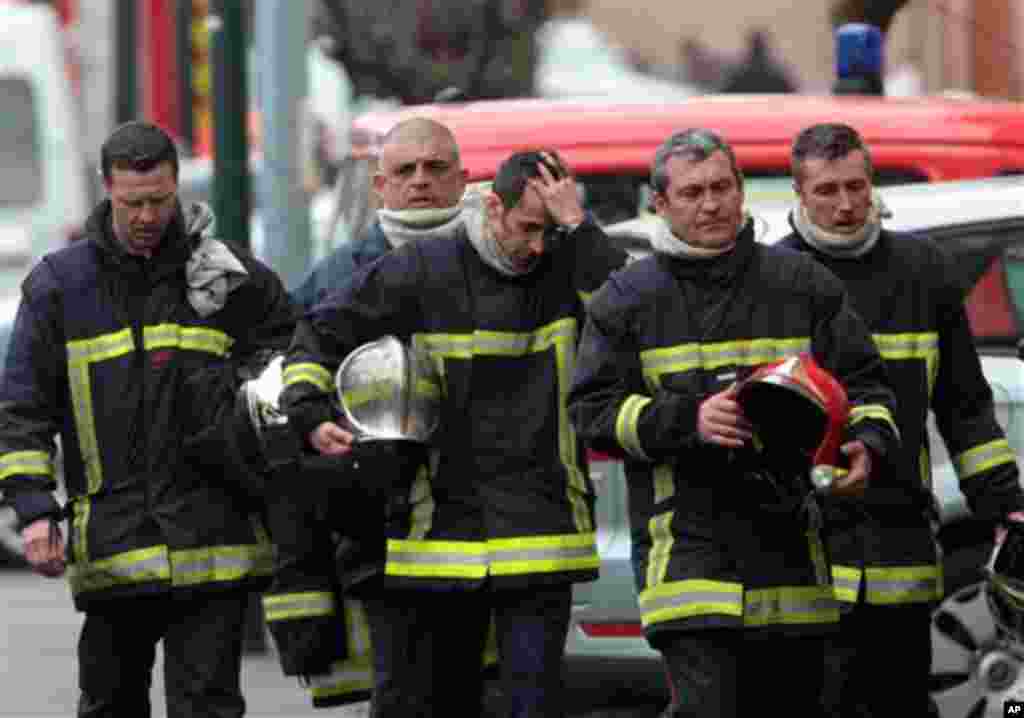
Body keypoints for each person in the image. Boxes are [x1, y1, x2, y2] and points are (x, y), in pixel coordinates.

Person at [280, 148, 629, 717]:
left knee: (533, 706)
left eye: (551, 230)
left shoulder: (571, 263)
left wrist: (580, 229)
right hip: (439, 535)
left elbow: (633, 316)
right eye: (528, 229)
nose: (538, 246)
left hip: (542, 536)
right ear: (493, 207)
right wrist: (310, 411)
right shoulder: (421, 268)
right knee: (439, 704)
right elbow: (319, 332)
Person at [566, 128, 901, 718]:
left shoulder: (803, 284)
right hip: (688, 551)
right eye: (692, 192)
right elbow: (590, 412)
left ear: (742, 191)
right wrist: (687, 420)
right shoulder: (627, 298)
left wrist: (866, 446)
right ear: (660, 205)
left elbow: (868, 387)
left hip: (793, 546)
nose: (712, 203)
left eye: (722, 187)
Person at [0, 121, 295, 718]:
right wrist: (32, 509)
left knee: (208, 704)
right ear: (107, 189)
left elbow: (292, 359)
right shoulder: (61, 287)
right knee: (110, 702)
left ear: (176, 187)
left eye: (159, 201)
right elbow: (23, 407)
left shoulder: (229, 277)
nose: (146, 216)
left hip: (214, 536)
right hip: (115, 540)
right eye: (132, 202)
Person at [778, 122, 1024, 718]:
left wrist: (1003, 503)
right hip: (800, 545)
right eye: (827, 190)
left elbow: (964, 403)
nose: (845, 205)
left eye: (857, 188)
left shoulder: (922, 270)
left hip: (900, 536)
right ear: (799, 192)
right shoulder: (774, 278)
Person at [290, 117, 470, 312]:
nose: (420, 180)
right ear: (380, 186)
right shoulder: (342, 272)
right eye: (405, 170)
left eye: (435, 167)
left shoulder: (495, 260)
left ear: (462, 181)